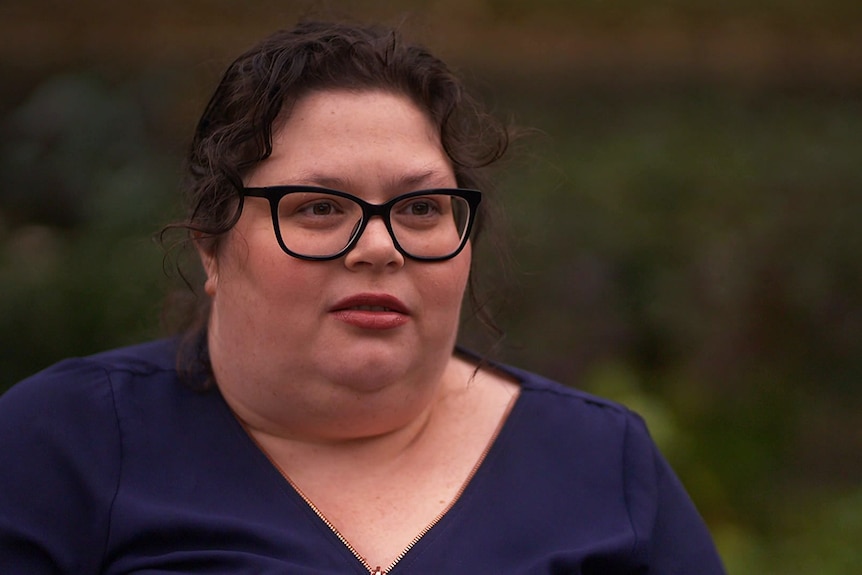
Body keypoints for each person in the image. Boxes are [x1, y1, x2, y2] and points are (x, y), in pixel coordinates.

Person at [0, 20, 726, 574]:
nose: (379, 246)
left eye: (420, 209)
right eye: (319, 207)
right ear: (210, 245)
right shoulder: (60, 445)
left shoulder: (601, 462)